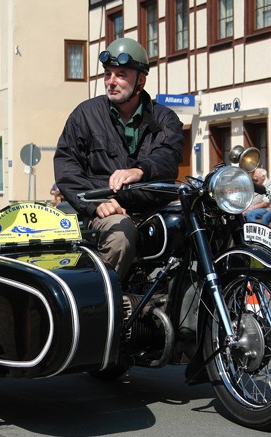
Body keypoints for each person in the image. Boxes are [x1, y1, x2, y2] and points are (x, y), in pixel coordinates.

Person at [54, 37, 183, 280]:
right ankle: (108, 305)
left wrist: (140, 170)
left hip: (151, 208)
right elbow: (66, 166)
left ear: (140, 80)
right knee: (121, 234)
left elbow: (169, 154)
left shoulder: (165, 118)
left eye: (121, 74)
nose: (111, 81)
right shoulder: (86, 115)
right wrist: (95, 205)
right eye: (107, 74)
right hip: (103, 210)